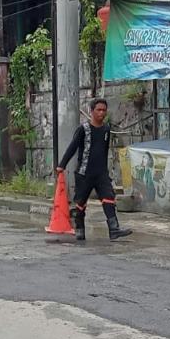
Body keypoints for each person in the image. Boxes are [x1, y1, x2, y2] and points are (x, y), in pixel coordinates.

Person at [56, 97, 132, 242]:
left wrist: (105, 171)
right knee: (80, 203)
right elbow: (72, 148)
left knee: (108, 197)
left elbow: (104, 151)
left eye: (104, 110)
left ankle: (114, 229)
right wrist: (62, 165)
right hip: (84, 173)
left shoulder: (106, 129)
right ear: (91, 111)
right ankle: (79, 229)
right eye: (98, 110)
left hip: (101, 172)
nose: (101, 113)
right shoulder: (83, 129)